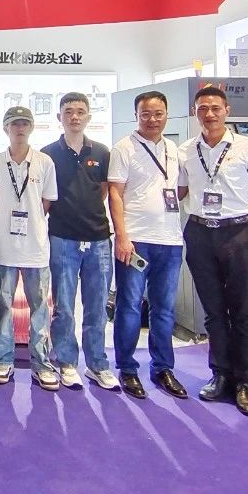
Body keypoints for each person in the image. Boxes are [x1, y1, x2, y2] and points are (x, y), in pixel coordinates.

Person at [177, 86, 248, 417]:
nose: (209, 114)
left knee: (244, 311)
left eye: (215, 108)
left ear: (227, 111)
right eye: (202, 108)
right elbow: (176, 192)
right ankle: (220, 374)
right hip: (199, 233)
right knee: (213, 311)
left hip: (239, 234)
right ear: (195, 113)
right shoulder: (185, 151)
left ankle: (245, 382)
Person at [107, 91, 187, 401]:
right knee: (129, 306)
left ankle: (163, 368)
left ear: (167, 114)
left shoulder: (174, 150)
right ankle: (127, 368)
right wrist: (122, 236)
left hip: (170, 241)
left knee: (164, 309)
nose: (152, 119)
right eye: (145, 114)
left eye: (158, 113)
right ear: (136, 116)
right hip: (136, 241)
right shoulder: (124, 148)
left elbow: (179, 189)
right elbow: (115, 193)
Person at [42, 92, 118, 392]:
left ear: (88, 116)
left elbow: (103, 191)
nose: (74, 116)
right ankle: (66, 362)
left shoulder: (101, 152)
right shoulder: (48, 154)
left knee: (97, 306)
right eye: (68, 111)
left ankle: (98, 364)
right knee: (64, 307)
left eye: (80, 111)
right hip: (62, 238)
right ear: (59, 117)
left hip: (98, 239)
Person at [0, 106, 60, 390]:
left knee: (40, 308)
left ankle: (41, 363)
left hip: (36, 249)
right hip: (5, 248)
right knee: (3, 306)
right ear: (5, 128)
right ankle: (3, 359)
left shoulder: (44, 162)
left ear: (31, 128)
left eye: (24, 124)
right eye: (14, 124)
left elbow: (46, 202)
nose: (19, 128)